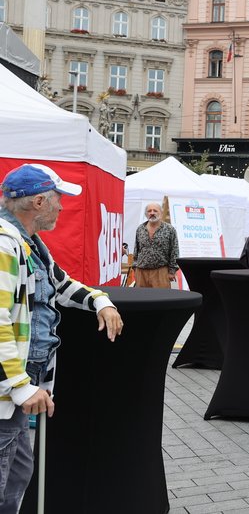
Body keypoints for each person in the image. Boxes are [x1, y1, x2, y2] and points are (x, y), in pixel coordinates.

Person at [0, 164, 124, 513]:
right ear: (38, 202)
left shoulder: (29, 243)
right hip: (8, 394)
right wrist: (20, 385)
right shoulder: (5, 245)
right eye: (57, 200)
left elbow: (61, 284)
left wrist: (100, 300)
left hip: (16, 395)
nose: (62, 207)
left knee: (18, 473)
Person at [131, 202, 179, 288]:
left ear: (160, 212)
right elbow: (136, 250)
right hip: (141, 272)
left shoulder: (169, 229)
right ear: (146, 214)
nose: (152, 213)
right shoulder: (140, 229)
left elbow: (174, 251)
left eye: (155, 211)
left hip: (161, 272)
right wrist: (135, 268)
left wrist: (172, 271)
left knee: (161, 299)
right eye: (149, 211)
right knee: (141, 299)